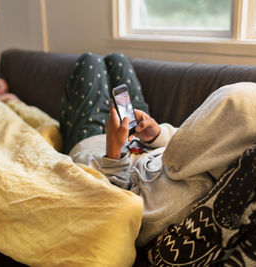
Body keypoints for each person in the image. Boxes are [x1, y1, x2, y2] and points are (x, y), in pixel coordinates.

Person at [59, 52, 213, 246]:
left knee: (89, 61)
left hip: (95, 149)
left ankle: (66, 132)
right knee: (118, 60)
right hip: (142, 138)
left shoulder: (173, 207)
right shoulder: (213, 150)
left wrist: (113, 153)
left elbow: (117, 209)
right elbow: (182, 139)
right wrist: (157, 135)